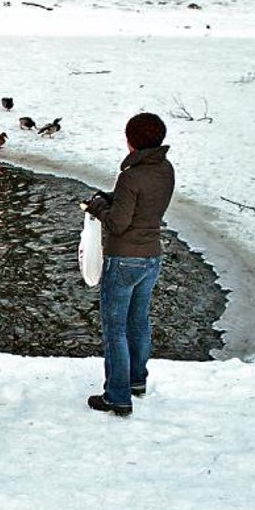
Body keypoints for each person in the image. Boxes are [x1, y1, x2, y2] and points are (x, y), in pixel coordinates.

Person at [84, 112, 175, 416]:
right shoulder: (164, 169)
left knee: (115, 329)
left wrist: (98, 207)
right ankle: (137, 380)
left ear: (131, 141)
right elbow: (143, 203)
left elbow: (119, 224)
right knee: (138, 322)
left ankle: (117, 396)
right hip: (151, 258)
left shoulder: (131, 176)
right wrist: (113, 197)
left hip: (124, 260)